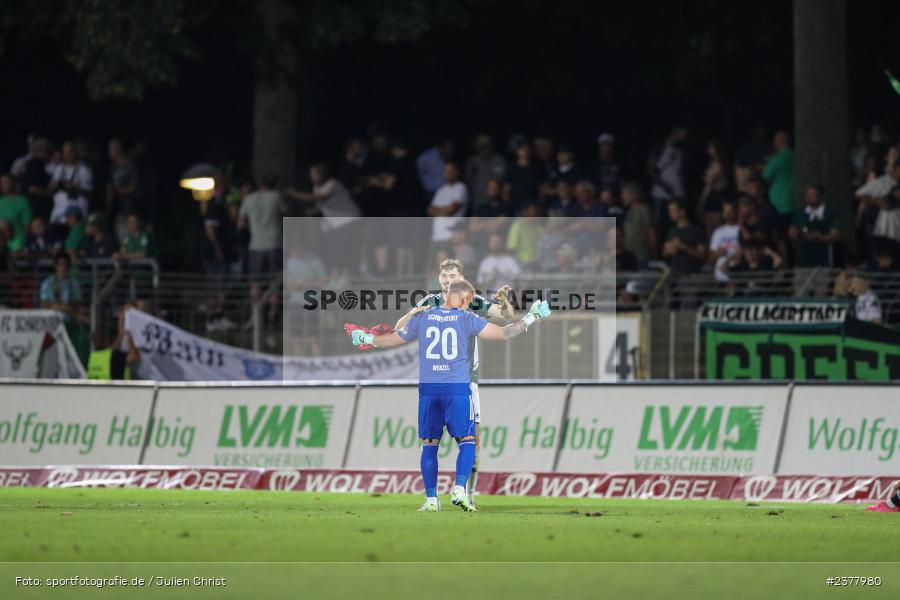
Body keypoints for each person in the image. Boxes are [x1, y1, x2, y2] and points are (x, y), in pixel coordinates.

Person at [352, 278, 551, 512]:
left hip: (429, 390)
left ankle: (431, 500)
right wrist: (532, 317)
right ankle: (459, 490)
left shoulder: (423, 317)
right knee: (467, 441)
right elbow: (505, 333)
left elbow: (393, 339)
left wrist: (366, 338)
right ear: (466, 299)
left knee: (429, 444)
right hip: (457, 388)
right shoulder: (466, 318)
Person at [393, 258, 515, 507]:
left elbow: (505, 315)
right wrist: (412, 313)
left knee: (472, 440)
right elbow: (399, 328)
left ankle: (468, 494)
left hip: (465, 382)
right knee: (430, 441)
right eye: (444, 276)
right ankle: (432, 498)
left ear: (461, 278)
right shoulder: (429, 302)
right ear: (439, 278)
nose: (448, 280)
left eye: (452, 276)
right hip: (436, 382)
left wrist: (505, 303)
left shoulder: (472, 301)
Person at [789, 184, 842, 268]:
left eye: (813, 194)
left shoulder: (830, 213)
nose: (809, 197)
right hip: (803, 261)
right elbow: (792, 232)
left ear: (822, 196)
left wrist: (818, 237)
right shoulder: (800, 213)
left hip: (823, 261)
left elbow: (836, 235)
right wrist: (803, 234)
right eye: (808, 195)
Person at [48, 141, 93, 235]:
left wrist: (75, 188)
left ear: (75, 152)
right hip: (58, 216)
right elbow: (50, 190)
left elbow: (90, 193)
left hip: (75, 216)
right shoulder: (59, 168)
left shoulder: (84, 170)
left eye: (69, 152)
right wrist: (53, 185)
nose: (67, 155)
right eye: (64, 152)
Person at [427, 162, 468, 254]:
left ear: (456, 172)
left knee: (449, 263)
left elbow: (452, 209)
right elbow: (430, 211)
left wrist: (438, 210)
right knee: (432, 263)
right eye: (445, 171)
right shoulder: (440, 190)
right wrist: (445, 209)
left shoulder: (461, 188)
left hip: (451, 236)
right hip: (436, 236)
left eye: (450, 170)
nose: (447, 173)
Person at [662, 200, 707, 274]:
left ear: (682, 211)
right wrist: (668, 249)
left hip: (692, 274)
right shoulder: (671, 231)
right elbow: (664, 254)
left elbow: (702, 255)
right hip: (675, 273)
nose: (670, 214)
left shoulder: (696, 231)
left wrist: (683, 246)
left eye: (673, 211)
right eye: (669, 211)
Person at [107, 139, 139, 241]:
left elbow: (134, 187)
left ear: (117, 150)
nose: (109, 152)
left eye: (110, 149)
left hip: (128, 207)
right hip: (116, 208)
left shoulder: (129, 165)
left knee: (129, 233)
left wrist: (119, 191)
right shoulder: (112, 167)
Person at [762, 130, 796, 228]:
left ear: (780, 141)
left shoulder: (776, 159)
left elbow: (764, 179)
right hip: (794, 202)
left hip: (778, 205)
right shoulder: (796, 155)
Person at [465, 134, 507, 210]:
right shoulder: (472, 161)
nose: (484, 149)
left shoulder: (498, 160)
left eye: (486, 146)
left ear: (491, 146)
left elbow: (503, 184)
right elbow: (468, 183)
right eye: (481, 147)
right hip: (478, 203)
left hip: (496, 205)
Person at [40, 253, 83, 322]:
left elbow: (78, 304)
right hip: (52, 320)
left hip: (70, 320)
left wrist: (71, 308)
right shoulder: (47, 283)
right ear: (55, 266)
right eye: (61, 265)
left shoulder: (74, 284)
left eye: (66, 265)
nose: (64, 267)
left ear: (69, 266)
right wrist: (60, 307)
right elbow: (44, 304)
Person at [621, 181, 655, 264]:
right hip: (629, 255)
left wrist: (653, 251)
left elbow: (651, 231)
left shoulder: (644, 209)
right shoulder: (628, 212)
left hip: (642, 255)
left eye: (624, 194)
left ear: (633, 194)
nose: (622, 196)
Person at [708, 200, 741, 281]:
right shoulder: (718, 232)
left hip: (738, 275)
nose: (727, 214)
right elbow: (711, 257)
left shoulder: (741, 229)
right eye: (725, 212)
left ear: (736, 212)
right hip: (720, 277)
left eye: (730, 211)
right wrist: (717, 254)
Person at [0, 173, 32, 253]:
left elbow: (27, 225)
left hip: (17, 242)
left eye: (5, 182)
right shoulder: (0, 201)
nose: (2, 184)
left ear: (13, 183)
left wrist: (23, 244)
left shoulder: (22, 201)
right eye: (1, 182)